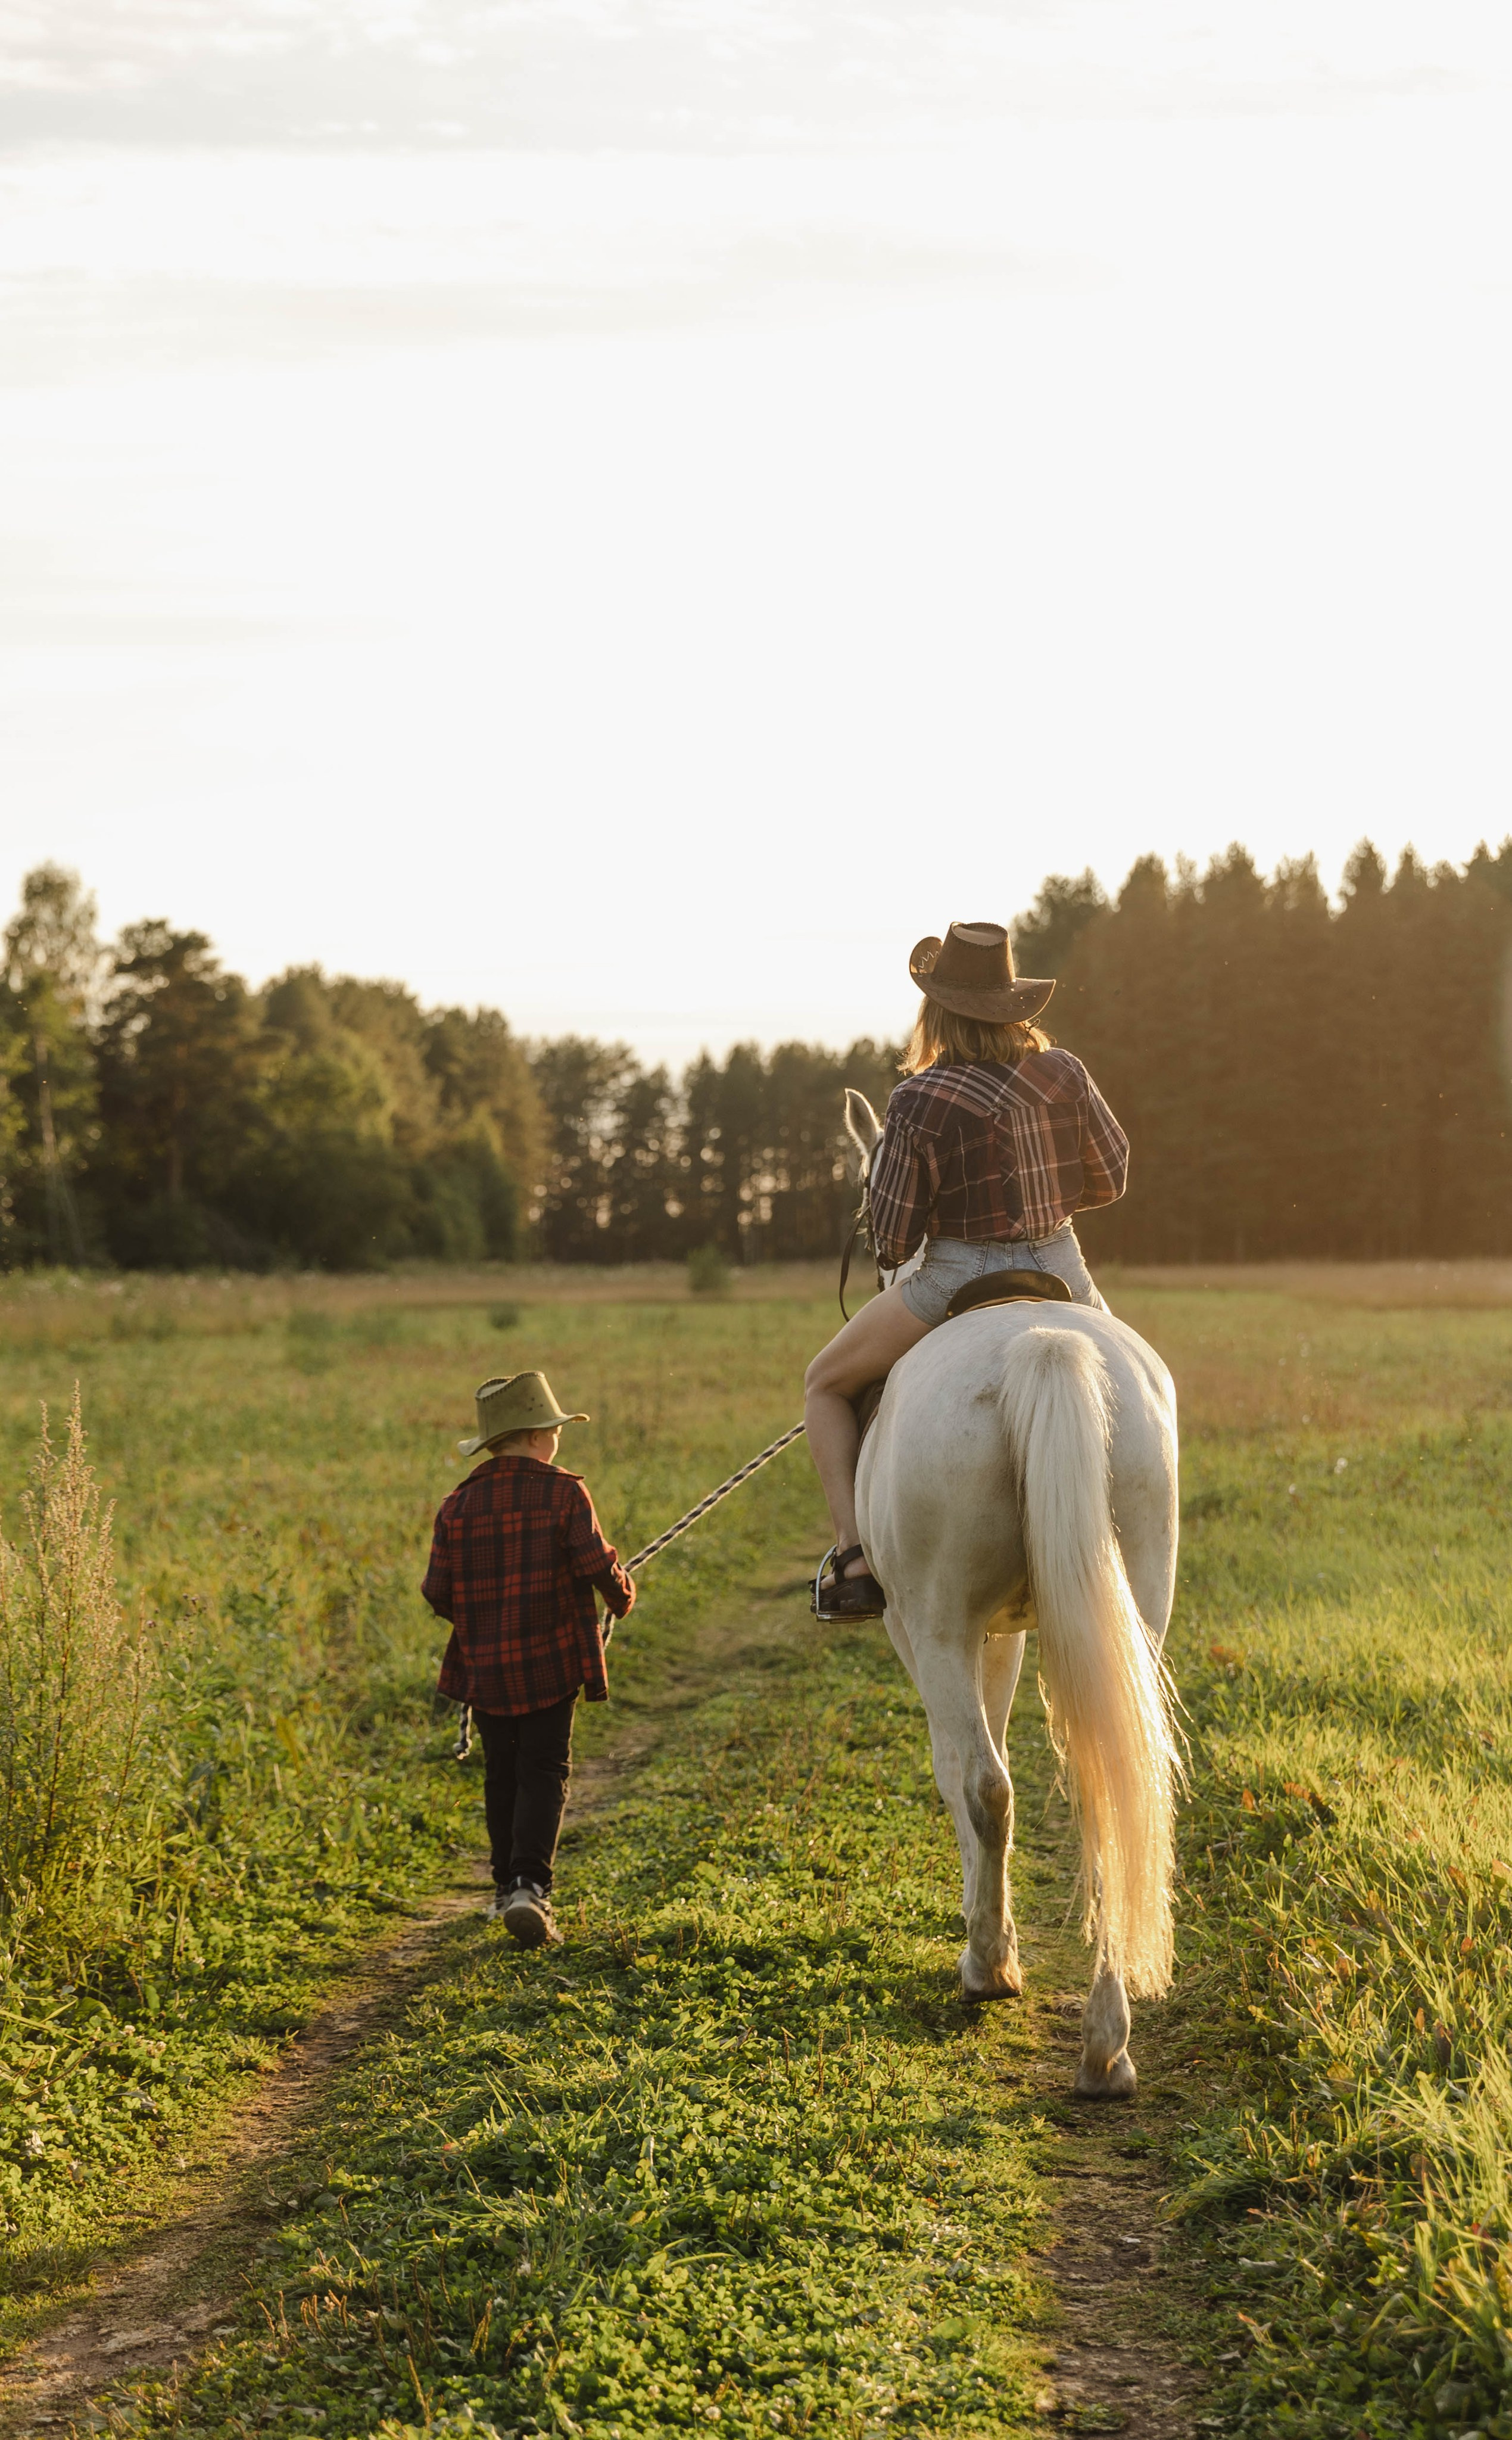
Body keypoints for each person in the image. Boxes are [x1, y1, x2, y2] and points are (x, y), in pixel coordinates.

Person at [805, 920, 1129, 1622]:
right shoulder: (1065, 1071)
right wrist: (1045, 1209)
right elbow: (1113, 1175)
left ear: (937, 1009)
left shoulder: (916, 1099)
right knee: (1136, 1389)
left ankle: (853, 1556)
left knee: (825, 1383)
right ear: (1013, 1002)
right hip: (1062, 1266)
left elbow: (892, 1241)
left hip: (952, 1279)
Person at [422, 1370, 635, 1947]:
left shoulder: (457, 1504)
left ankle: (501, 1890)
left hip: (486, 1666)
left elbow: (436, 1589)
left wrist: (482, 1623)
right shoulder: (564, 1491)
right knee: (545, 1769)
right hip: (552, 1660)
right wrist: (622, 1594)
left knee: (503, 1773)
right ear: (542, 1436)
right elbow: (595, 1564)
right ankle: (529, 1887)